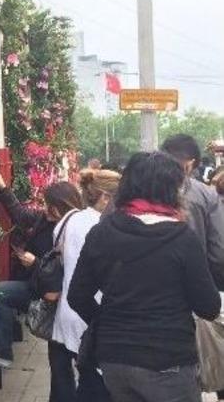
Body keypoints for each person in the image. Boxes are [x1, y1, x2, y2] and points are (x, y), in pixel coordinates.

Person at [68, 151, 221, 401]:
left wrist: (108, 322)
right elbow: (209, 307)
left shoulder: (103, 231)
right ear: (172, 190)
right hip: (168, 360)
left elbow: (77, 296)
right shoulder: (182, 238)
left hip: (115, 359)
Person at [0, 171, 84, 368]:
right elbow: (21, 214)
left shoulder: (75, 228)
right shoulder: (44, 218)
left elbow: (64, 268)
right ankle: (0, 352)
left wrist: (35, 263)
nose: (44, 208)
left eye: (48, 204)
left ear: (59, 206)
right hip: (37, 286)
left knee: (63, 360)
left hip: (59, 296)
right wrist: (2, 187)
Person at [49, 169, 120, 402]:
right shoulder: (106, 227)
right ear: (105, 197)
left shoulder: (68, 220)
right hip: (91, 314)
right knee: (91, 382)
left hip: (65, 312)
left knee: (62, 381)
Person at [161, 134, 224, 289]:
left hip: (145, 287)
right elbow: (219, 251)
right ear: (190, 163)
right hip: (195, 283)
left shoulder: (135, 189)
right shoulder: (207, 195)